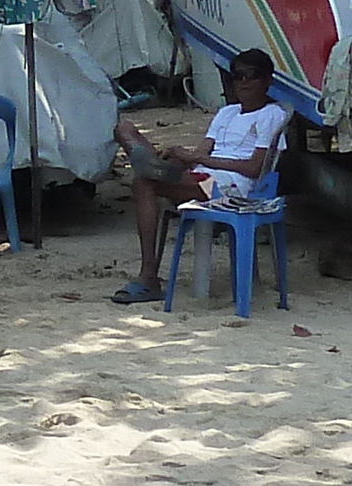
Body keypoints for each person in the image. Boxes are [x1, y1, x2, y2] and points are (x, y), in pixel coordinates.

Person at [113, 48, 294, 303]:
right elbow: (203, 152)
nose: (243, 82)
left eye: (251, 76)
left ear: (267, 80)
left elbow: (254, 168)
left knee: (146, 182)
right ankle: (156, 164)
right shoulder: (227, 113)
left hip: (231, 188)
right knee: (128, 134)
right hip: (204, 177)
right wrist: (184, 156)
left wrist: (196, 159)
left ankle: (149, 278)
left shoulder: (271, 115)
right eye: (238, 76)